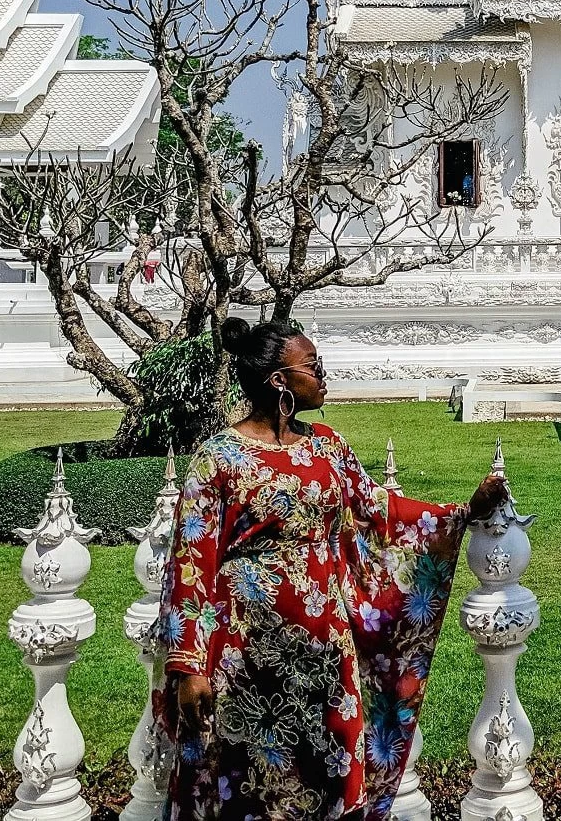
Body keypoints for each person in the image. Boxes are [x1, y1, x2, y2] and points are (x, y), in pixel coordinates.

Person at [160, 318, 508, 821]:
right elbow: (191, 562)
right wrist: (187, 667)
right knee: (245, 781)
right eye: (313, 365)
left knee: (327, 772)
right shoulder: (217, 459)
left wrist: (460, 513)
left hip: (324, 656)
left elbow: (379, 511)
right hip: (242, 660)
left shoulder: (327, 447)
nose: (324, 374)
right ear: (279, 380)